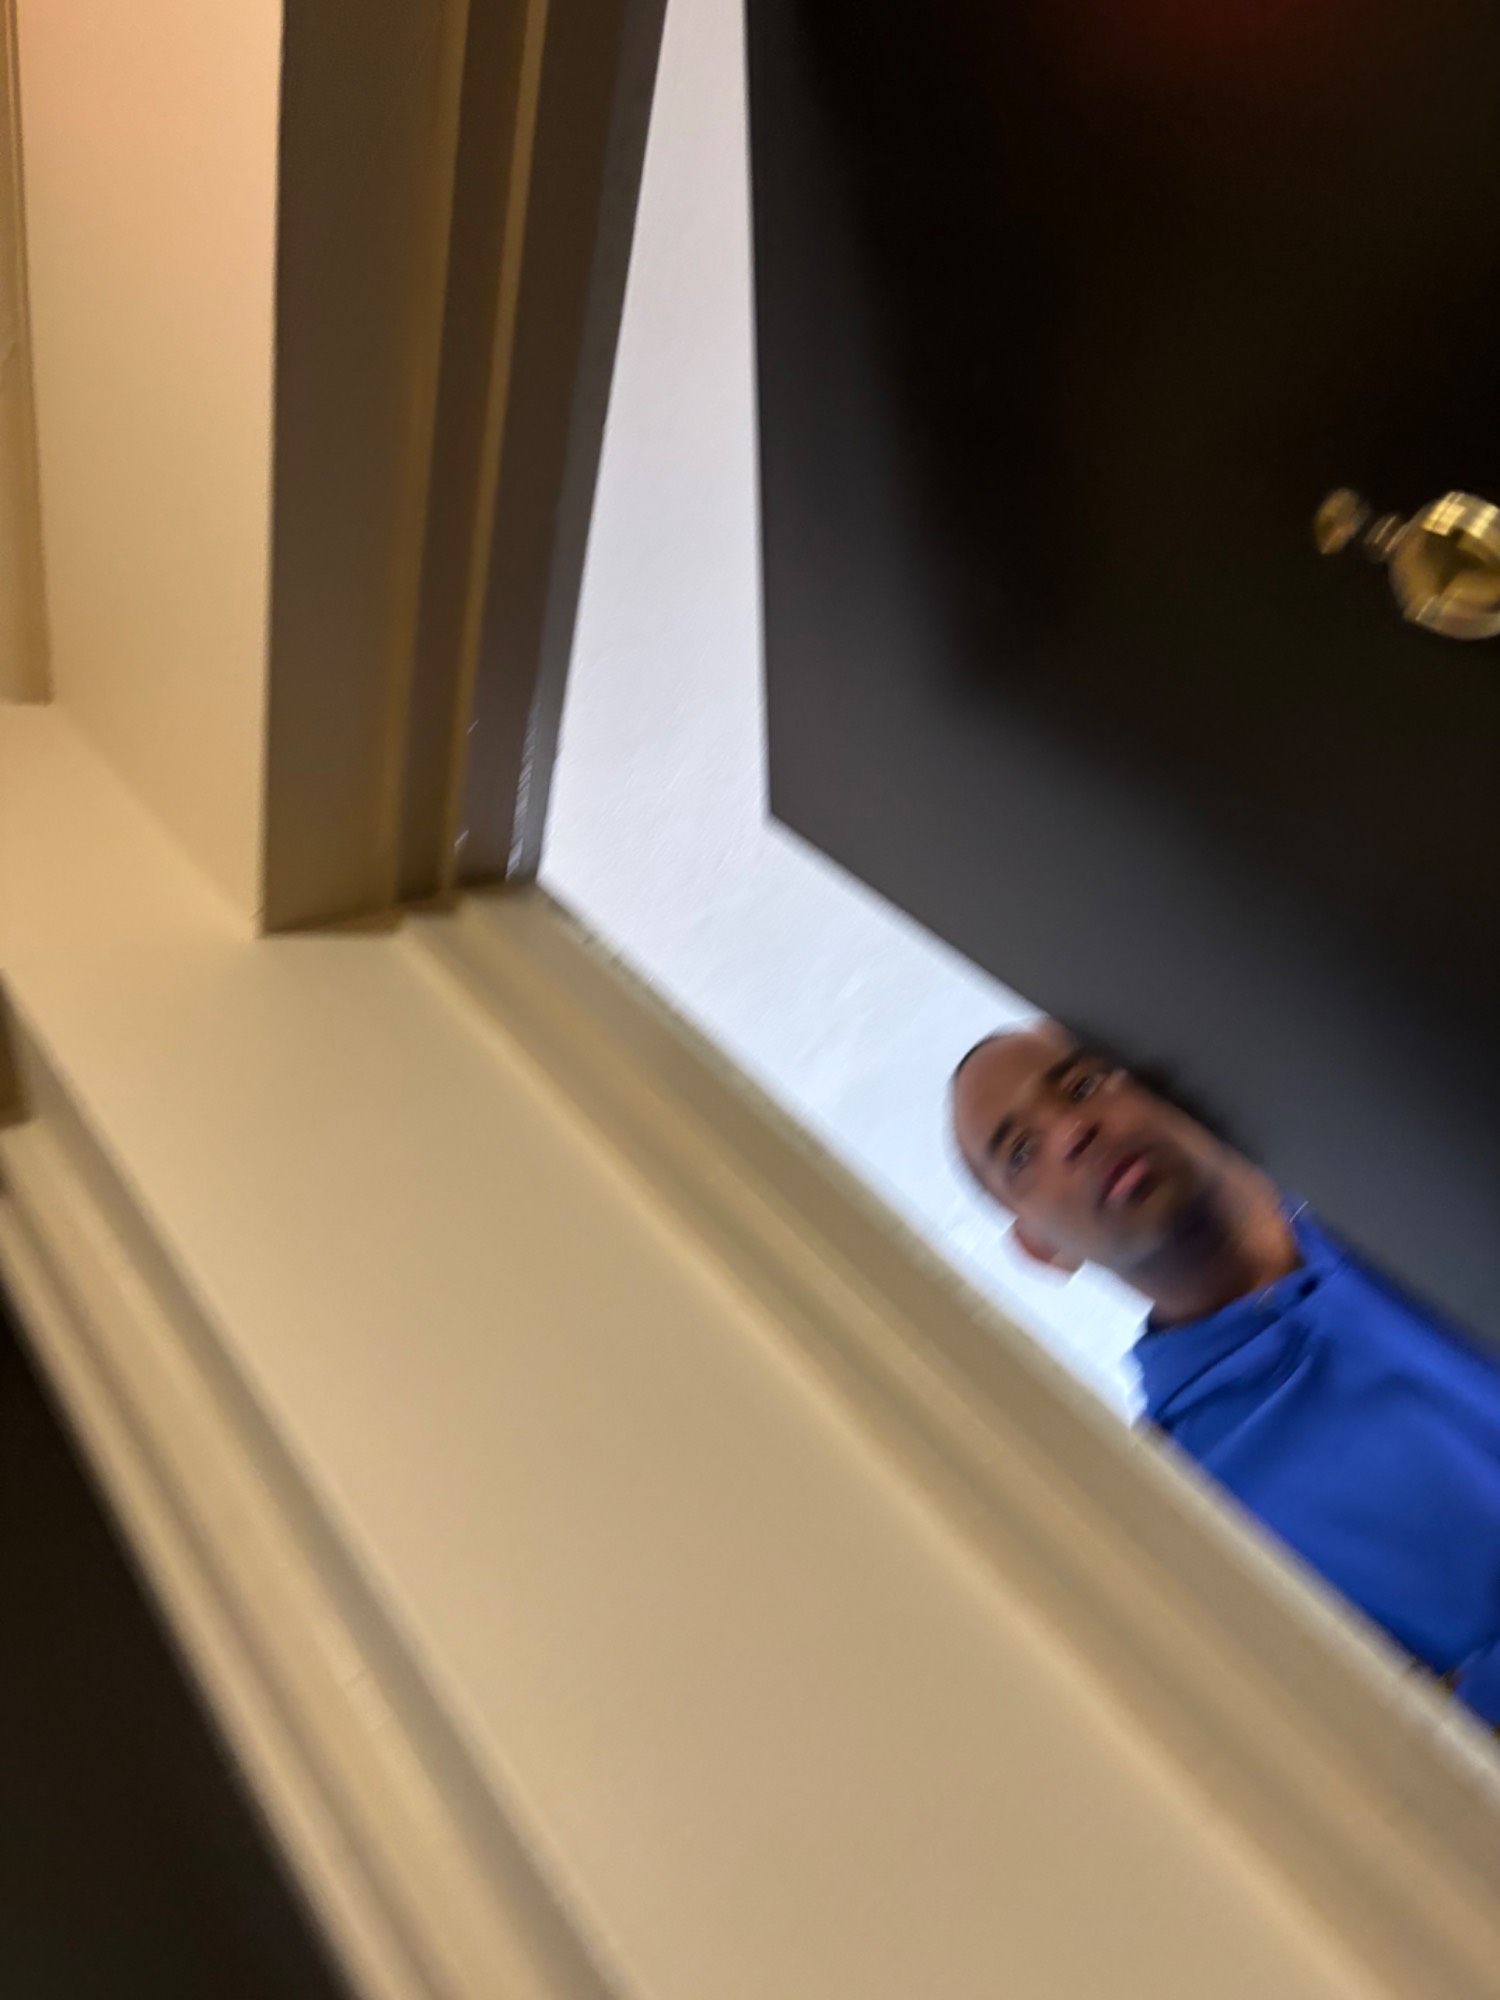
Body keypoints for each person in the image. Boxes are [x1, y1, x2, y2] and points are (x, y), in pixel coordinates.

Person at [949, 1019, 1500, 1729]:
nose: (1072, 1132)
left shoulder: (1424, 1175)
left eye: (1083, 1085)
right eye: (1022, 1153)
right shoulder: (1188, 1527)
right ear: (1039, 1249)